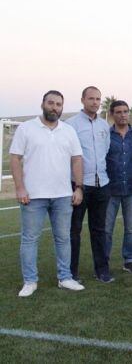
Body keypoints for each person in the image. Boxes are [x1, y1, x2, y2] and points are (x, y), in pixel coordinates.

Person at [10, 90, 86, 297]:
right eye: (51, 103)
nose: (54, 107)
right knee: (29, 239)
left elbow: (77, 159)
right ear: (43, 104)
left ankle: (65, 278)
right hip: (33, 196)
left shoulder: (68, 131)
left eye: (58, 104)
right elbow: (15, 158)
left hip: (62, 195)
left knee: (63, 238)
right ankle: (30, 281)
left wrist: (78, 187)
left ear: (62, 107)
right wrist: (20, 187)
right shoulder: (26, 128)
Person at [65, 86, 113, 283]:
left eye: (98, 99)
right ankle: (71, 273)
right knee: (74, 230)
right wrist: (76, 184)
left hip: (101, 184)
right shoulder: (70, 125)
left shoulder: (103, 126)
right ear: (83, 100)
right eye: (91, 98)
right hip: (79, 185)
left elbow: (105, 152)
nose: (95, 102)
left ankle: (101, 271)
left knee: (99, 230)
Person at [105, 100, 132, 274]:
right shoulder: (105, 135)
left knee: (131, 228)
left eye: (126, 111)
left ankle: (130, 260)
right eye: (119, 112)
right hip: (110, 189)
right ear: (112, 114)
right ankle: (103, 261)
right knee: (106, 228)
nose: (123, 115)